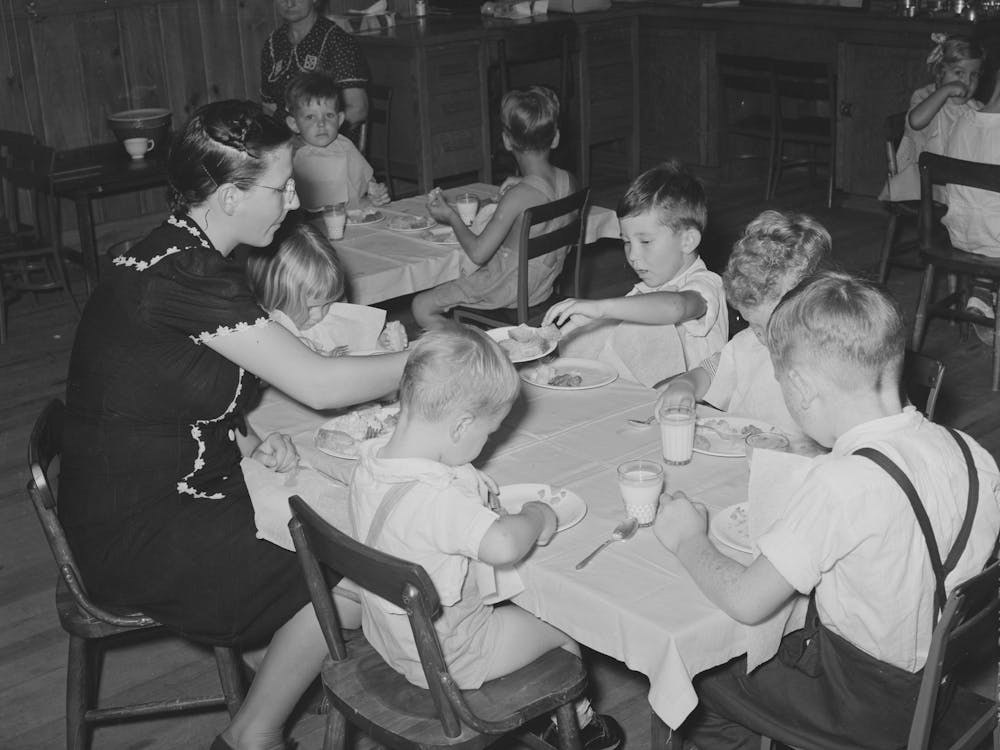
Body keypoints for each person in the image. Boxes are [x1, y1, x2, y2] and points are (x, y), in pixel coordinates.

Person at [59, 100, 407, 750]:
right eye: (279, 187)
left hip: (139, 486)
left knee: (338, 517)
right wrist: (425, 357)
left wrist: (241, 431)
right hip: (137, 529)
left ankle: (277, 677)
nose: (293, 198)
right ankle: (256, 731)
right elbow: (319, 383)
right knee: (357, 566)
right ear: (225, 196)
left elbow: (159, 383)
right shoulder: (189, 273)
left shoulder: (177, 248)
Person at [654, 271, 1000, 750]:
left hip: (863, 705)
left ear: (798, 385)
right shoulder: (972, 452)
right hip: (933, 684)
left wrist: (687, 537)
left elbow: (745, 600)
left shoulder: (841, 484)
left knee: (699, 675)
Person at [349, 324, 625, 750]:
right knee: (565, 626)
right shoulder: (436, 500)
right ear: (460, 426)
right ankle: (568, 726)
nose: (488, 441)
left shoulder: (371, 464)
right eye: (488, 432)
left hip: (389, 638)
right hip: (449, 658)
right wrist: (536, 514)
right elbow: (504, 545)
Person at [542, 160, 727, 388]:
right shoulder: (648, 287)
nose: (633, 256)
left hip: (694, 406)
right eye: (627, 242)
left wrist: (602, 308)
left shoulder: (705, 284)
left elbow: (675, 307)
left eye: (646, 241)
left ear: (687, 240)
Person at [411, 85, 578, 330]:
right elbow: (546, 195)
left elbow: (478, 253)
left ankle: (478, 348)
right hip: (542, 288)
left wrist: (451, 216)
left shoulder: (518, 198)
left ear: (507, 141)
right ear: (555, 138)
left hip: (506, 292)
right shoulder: (568, 181)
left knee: (421, 306)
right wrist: (522, 182)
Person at [655, 210, 830, 437]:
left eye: (775, 325)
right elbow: (709, 372)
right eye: (753, 325)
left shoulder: (831, 354)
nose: (763, 338)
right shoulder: (749, 344)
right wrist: (686, 385)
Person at [247, 221, 406, 354]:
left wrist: (380, 347)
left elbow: (358, 353)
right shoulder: (267, 335)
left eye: (329, 303)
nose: (321, 315)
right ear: (273, 298)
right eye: (310, 308)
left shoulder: (325, 315)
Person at [880, 33, 984, 202]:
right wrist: (945, 91)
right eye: (959, 73)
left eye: (974, 75)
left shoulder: (975, 108)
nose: (966, 81)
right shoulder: (925, 98)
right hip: (925, 185)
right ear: (940, 72)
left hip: (961, 184)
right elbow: (916, 121)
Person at [284, 72, 389, 210]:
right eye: (310, 117)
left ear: (339, 119)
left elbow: (364, 177)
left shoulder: (344, 145)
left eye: (329, 115)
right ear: (294, 124)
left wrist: (374, 191)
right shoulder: (291, 155)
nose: (321, 123)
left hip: (354, 217)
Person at [260, 0, 369, 126]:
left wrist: (313, 135)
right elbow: (269, 107)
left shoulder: (337, 41)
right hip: (284, 139)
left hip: (327, 139)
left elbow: (358, 109)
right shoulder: (273, 44)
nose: (289, 3)